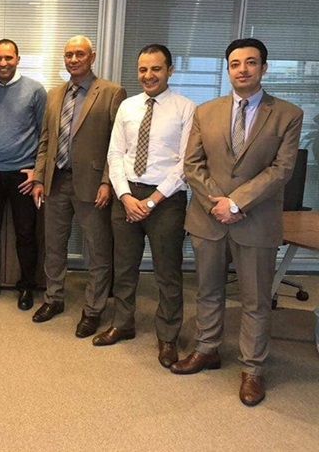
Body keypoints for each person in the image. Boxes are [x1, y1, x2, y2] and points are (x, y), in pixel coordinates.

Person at [171, 38, 303, 407]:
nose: (242, 69)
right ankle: (207, 348)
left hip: (255, 220)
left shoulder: (288, 114)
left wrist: (236, 202)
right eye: (235, 63)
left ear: (264, 67)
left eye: (250, 62)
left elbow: (282, 169)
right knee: (208, 290)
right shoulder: (206, 111)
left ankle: (252, 369)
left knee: (255, 300)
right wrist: (217, 202)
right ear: (228, 69)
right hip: (208, 217)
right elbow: (192, 165)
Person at [94, 44, 195, 369]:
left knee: (168, 272)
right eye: (143, 69)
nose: (148, 75)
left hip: (166, 200)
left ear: (170, 71)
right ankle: (123, 324)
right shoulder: (128, 106)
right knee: (124, 267)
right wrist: (125, 196)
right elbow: (115, 154)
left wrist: (151, 201)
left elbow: (186, 164)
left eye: (156, 69)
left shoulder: (186, 108)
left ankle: (168, 336)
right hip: (127, 195)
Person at [31, 35, 126, 336]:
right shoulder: (54, 94)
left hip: (93, 185)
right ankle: (53, 298)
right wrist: (38, 177)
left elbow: (118, 144)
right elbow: (46, 140)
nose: (73, 59)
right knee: (54, 247)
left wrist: (107, 182)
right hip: (56, 181)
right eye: (69, 54)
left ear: (92, 57)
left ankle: (93, 309)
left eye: (79, 54)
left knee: (98, 250)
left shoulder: (111, 92)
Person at [0, 39, 46, 310]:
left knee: (26, 233)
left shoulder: (35, 90)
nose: (3, 63)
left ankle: (26, 287)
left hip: (22, 176)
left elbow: (45, 133)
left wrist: (37, 172)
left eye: (8, 58)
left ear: (18, 59)